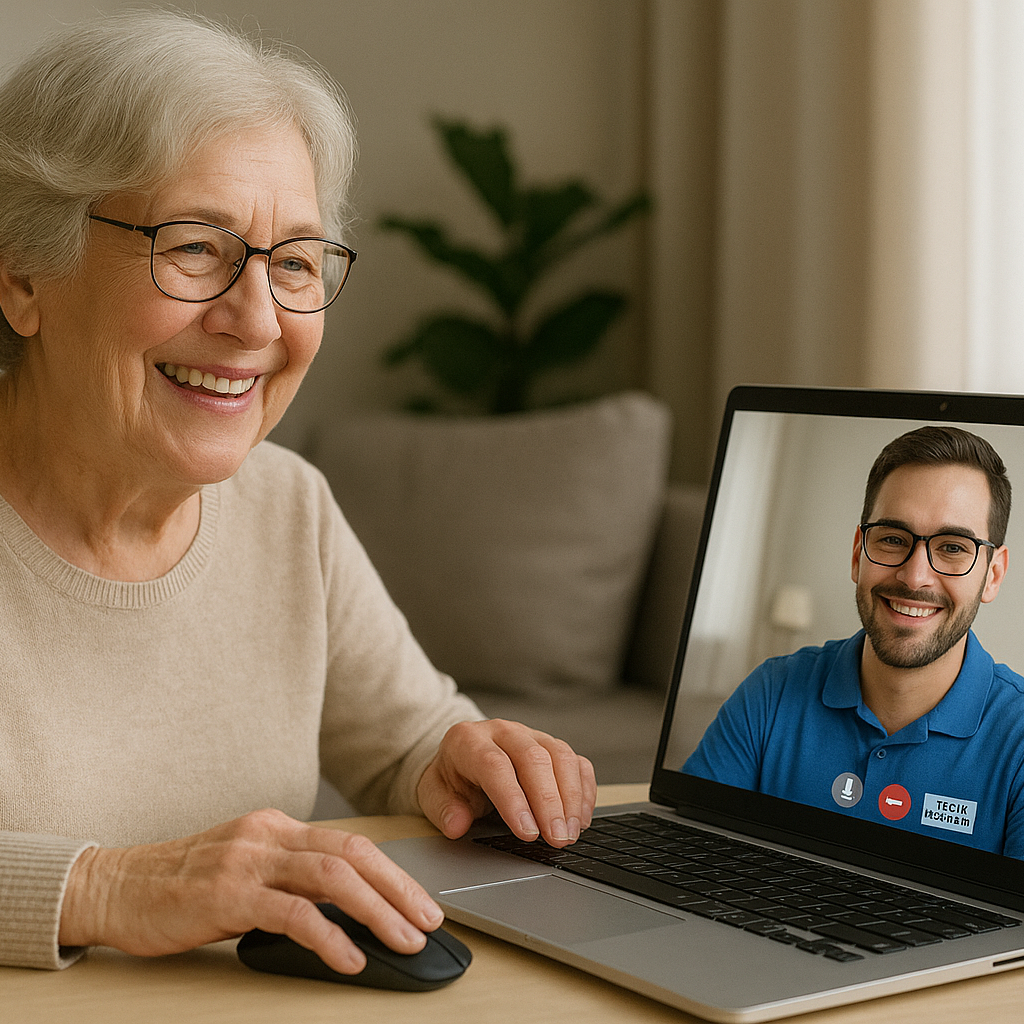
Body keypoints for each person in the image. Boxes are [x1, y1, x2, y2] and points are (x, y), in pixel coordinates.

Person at [0, 11, 595, 974]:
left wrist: (466, 761)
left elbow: (408, 737)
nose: (257, 320)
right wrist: (107, 887)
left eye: (295, 263)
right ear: (23, 274)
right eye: (195, 246)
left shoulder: (287, 505)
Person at [683, 425, 1024, 858]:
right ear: (857, 553)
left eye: (953, 547)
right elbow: (688, 854)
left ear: (993, 575)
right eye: (893, 539)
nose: (915, 577)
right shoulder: (771, 691)